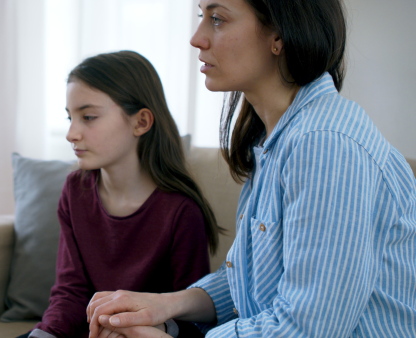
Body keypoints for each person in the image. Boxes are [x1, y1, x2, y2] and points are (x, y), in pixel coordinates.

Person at [86, 0, 416, 337]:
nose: (196, 38)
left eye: (217, 18)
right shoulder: (278, 138)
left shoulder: (325, 146)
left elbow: (307, 330)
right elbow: (250, 279)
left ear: (279, 34)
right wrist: (165, 304)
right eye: (202, 16)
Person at [18, 50, 223, 338]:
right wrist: (47, 334)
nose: (71, 133)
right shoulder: (75, 191)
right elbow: (70, 291)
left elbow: (191, 316)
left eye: (88, 117)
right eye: (70, 118)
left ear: (141, 122)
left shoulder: (181, 211)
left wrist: (141, 328)